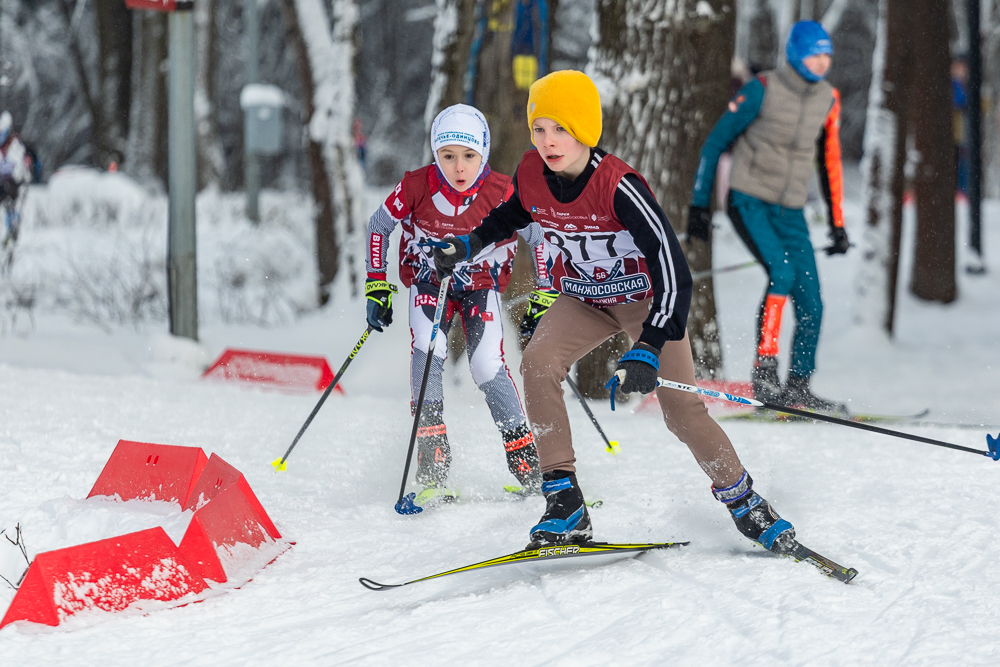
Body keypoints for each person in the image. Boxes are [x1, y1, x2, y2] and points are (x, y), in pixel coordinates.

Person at [432, 71, 798, 556]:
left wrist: (648, 346)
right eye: (539, 128)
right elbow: (512, 214)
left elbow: (675, 274)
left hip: (646, 301)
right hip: (583, 297)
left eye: (560, 129)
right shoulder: (531, 173)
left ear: (583, 129)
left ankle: (746, 502)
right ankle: (565, 502)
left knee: (681, 412)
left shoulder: (618, 186)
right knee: (537, 364)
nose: (547, 141)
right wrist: (468, 243)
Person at [365, 103, 548, 506]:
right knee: (428, 352)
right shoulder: (416, 185)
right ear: (435, 153)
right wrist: (377, 285)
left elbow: (540, 240)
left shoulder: (503, 191)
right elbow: (379, 225)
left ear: (483, 153)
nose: (459, 168)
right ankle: (432, 471)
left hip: (482, 287)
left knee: (486, 364)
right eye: (448, 156)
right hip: (430, 282)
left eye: (469, 156)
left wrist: (546, 293)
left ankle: (531, 469)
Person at [688, 20, 849, 412]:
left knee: (812, 299)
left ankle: (798, 385)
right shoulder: (762, 89)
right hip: (749, 200)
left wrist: (838, 223)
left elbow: (830, 160)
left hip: (791, 208)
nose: (822, 62)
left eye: (827, 54)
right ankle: (764, 373)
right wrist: (700, 204)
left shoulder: (828, 98)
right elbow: (715, 142)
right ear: (795, 53)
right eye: (814, 53)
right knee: (783, 272)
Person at [0, 111, 30, 248]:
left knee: (12, 211)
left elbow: (20, 169)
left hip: (14, 185)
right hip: (3, 185)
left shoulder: (15, 145)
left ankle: (12, 232)